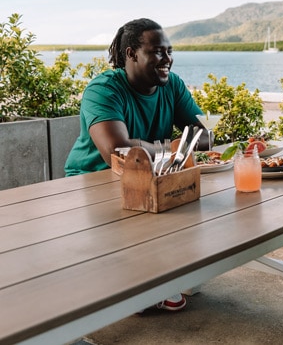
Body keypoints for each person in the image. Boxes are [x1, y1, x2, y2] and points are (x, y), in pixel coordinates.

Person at [65, 18, 210, 312]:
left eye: (169, 51)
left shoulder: (173, 85)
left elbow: (203, 136)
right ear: (131, 54)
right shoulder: (103, 89)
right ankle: (140, 284)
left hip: (152, 177)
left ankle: (161, 274)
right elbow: (116, 151)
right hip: (92, 181)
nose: (167, 59)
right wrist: (172, 148)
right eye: (157, 51)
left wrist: (154, 149)